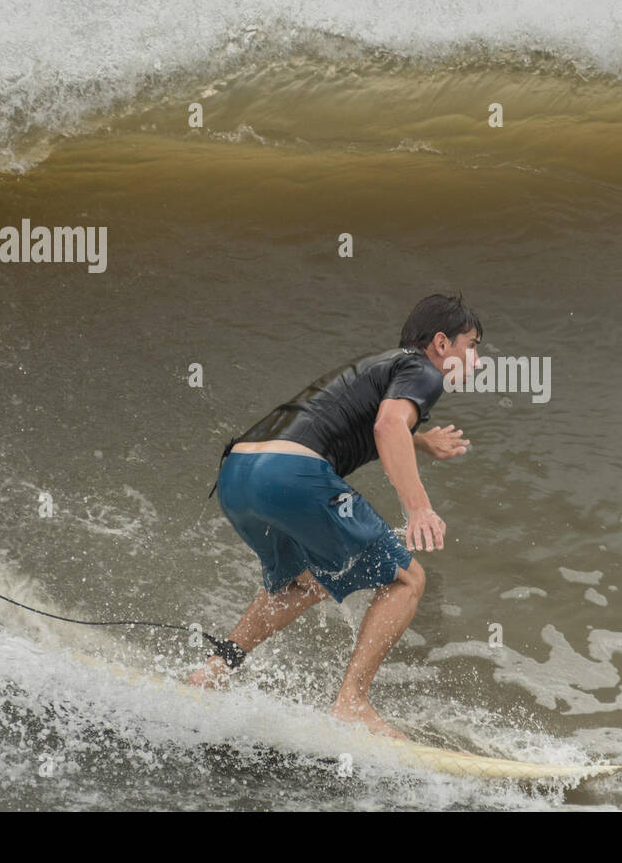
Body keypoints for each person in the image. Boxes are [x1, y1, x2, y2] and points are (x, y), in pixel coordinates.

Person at [188, 293, 480, 739]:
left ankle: (214, 670)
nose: (475, 360)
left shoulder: (385, 364)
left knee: (305, 582)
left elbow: (353, 417)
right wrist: (419, 508)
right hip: (292, 474)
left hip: (238, 474)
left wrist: (421, 440)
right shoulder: (424, 371)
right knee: (408, 580)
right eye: (472, 345)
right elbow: (386, 426)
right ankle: (353, 702)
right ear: (441, 343)